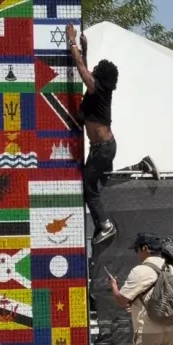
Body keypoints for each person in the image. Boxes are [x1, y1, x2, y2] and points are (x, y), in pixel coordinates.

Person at [66, 24, 120, 244]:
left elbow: (81, 69)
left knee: (89, 188)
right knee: (99, 184)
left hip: (102, 149)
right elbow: (86, 73)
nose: (93, 70)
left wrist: (72, 42)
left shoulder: (97, 89)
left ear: (101, 76)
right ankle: (136, 169)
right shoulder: (98, 92)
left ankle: (105, 225)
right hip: (103, 148)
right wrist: (85, 49)